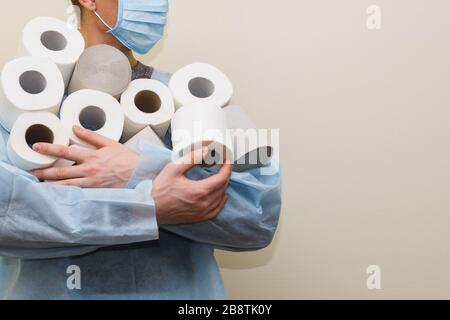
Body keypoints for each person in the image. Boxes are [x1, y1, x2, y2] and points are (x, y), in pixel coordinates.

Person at [0, 0, 281, 300]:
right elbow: (10, 217)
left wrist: (138, 171)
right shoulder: (23, 97)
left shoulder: (197, 96)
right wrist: (147, 207)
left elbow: (259, 215)